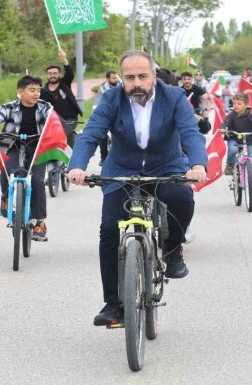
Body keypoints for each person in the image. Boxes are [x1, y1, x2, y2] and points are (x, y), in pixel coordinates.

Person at [67, 50, 208, 326]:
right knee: (109, 229)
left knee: (181, 198)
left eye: (143, 76)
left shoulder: (174, 97)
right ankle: (113, 304)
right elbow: (92, 133)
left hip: (165, 166)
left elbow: (190, 132)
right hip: (122, 168)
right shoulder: (111, 99)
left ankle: (171, 249)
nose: (137, 83)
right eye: (129, 77)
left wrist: (198, 165)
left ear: (154, 76)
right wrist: (77, 166)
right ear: (121, 79)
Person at [0, 76, 54, 242]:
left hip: (38, 147)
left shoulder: (44, 107)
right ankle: (5, 197)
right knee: (5, 169)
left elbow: (54, 121)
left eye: (38, 90)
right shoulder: (9, 107)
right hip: (14, 146)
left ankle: (40, 222)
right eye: (32, 90)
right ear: (20, 92)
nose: (36, 94)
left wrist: (55, 128)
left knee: (38, 181)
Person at [221, 92, 252, 198]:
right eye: (234, 103)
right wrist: (223, 128)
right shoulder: (231, 115)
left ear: (246, 105)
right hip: (234, 138)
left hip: (249, 140)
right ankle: (230, 165)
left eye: (239, 103)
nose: (235, 105)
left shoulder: (250, 115)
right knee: (232, 149)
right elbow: (225, 122)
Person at [40, 49, 82, 147]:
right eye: (50, 73)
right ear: (47, 75)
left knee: (63, 133)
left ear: (59, 74)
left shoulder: (65, 84)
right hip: (52, 121)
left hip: (69, 118)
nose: (52, 75)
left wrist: (64, 61)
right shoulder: (43, 91)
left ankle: (77, 148)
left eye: (55, 73)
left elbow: (70, 74)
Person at [94, 71, 122, 165]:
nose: (116, 80)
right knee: (103, 136)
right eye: (113, 78)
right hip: (107, 116)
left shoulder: (122, 87)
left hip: (119, 116)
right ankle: (103, 158)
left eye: (116, 77)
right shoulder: (102, 90)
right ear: (107, 79)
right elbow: (98, 104)